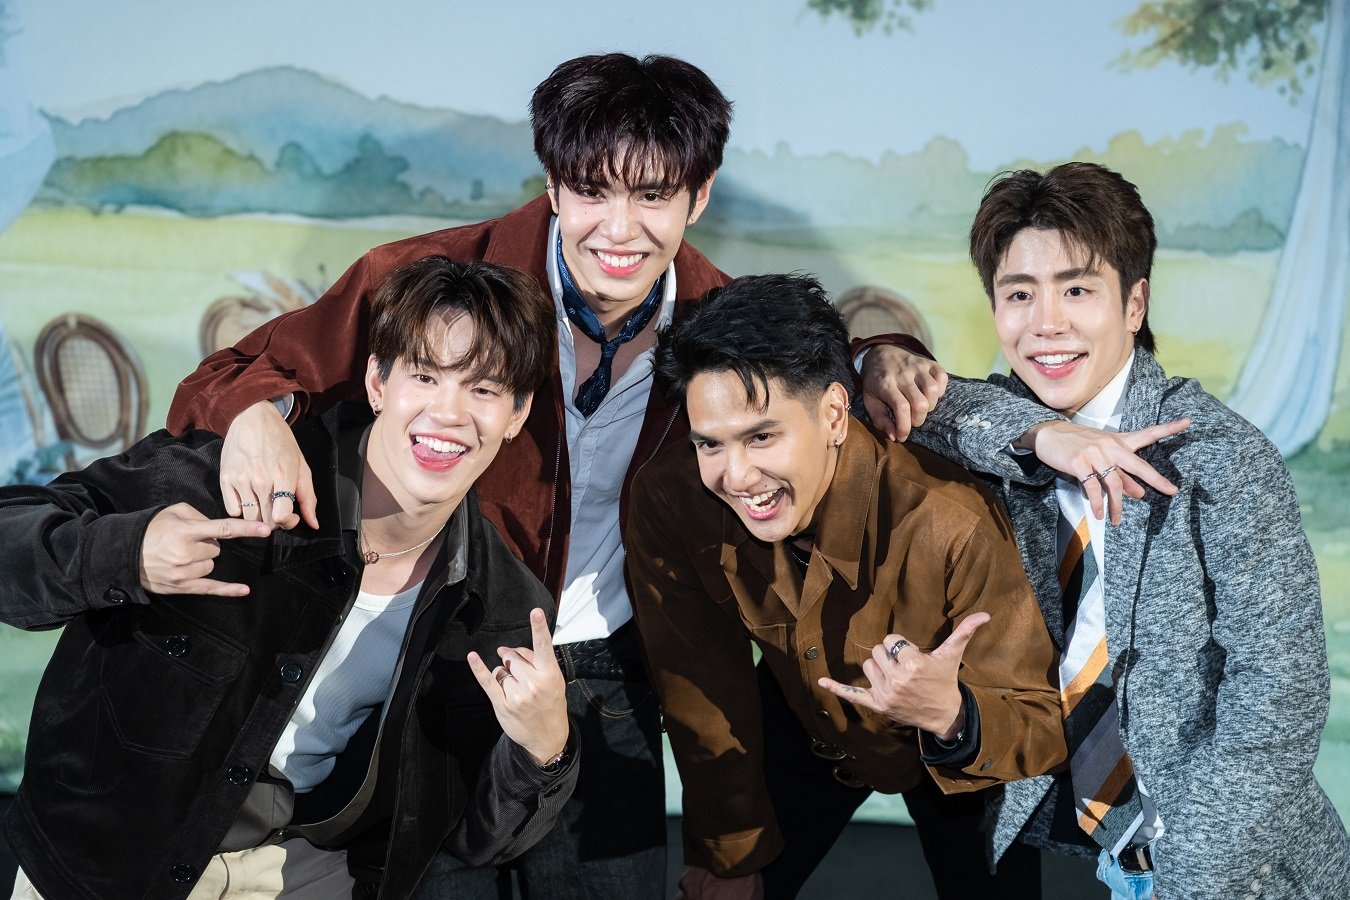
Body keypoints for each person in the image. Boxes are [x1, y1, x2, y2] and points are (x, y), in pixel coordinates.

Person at [163, 53, 933, 897]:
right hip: (444, 658)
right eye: (593, 191)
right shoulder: (432, 280)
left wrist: (881, 355)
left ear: (699, 196)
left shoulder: (719, 321)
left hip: (611, 678)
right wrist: (255, 416)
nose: (619, 229)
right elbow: (227, 380)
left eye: (652, 196)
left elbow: (819, 376)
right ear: (553, 185)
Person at [0, 257, 577, 900]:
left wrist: (545, 749)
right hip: (105, 865)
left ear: (518, 414)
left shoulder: (500, 606)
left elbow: (471, 838)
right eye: (424, 375)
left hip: (300, 872)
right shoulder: (226, 480)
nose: (448, 413)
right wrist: (127, 554)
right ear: (377, 381)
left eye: (484, 390)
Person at [906, 162, 1350, 899]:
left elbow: (1281, 700)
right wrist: (1040, 433)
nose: (1046, 322)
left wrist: (1187, 879)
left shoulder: (1221, 459)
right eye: (1020, 294)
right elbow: (932, 404)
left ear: (1134, 303)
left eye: (1077, 290)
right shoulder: (1007, 432)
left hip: (1234, 866)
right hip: (1096, 852)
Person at [625, 273, 1068, 899]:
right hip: (799, 722)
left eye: (762, 436)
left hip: (957, 751)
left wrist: (951, 715)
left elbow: (1041, 721)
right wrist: (730, 853)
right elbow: (700, 686)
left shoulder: (950, 521)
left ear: (834, 413)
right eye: (710, 444)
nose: (737, 475)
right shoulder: (672, 498)